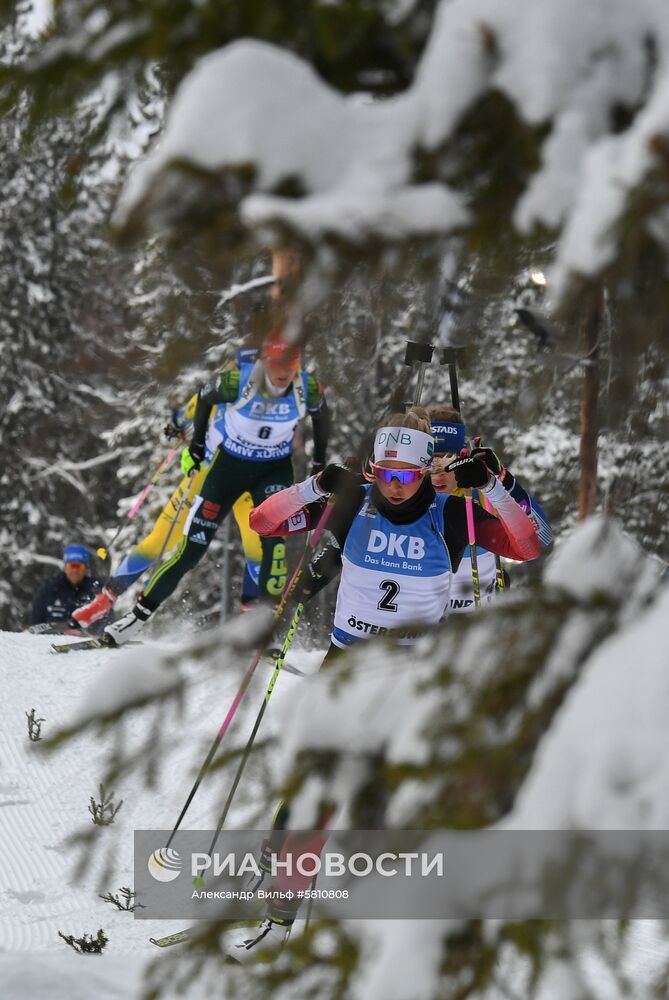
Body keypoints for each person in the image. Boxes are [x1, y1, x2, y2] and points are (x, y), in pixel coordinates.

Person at [229, 407, 541, 955]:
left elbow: (527, 545)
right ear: (374, 469)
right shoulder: (353, 505)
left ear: (424, 473)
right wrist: (314, 485)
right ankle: (279, 896)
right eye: (386, 474)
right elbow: (263, 523)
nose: (395, 488)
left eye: (408, 476)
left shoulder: (450, 516)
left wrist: (492, 484)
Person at [101, 328, 329, 645]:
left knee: (272, 545)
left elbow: (322, 415)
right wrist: (195, 445)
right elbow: (205, 399)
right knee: (190, 551)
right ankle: (136, 619)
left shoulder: (307, 388)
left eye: (290, 366)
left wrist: (319, 461)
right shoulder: (239, 382)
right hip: (228, 468)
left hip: (273, 470)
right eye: (276, 364)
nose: (282, 373)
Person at [71, 361, 265, 630]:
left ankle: (251, 626)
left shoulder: (276, 401)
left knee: (259, 547)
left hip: (246, 483)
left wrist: (178, 426)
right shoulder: (223, 387)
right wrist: (178, 427)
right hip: (207, 476)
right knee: (160, 538)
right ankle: (104, 601)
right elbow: (190, 410)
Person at [429, 405, 553, 613]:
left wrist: (502, 478)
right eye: (431, 465)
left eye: (447, 461)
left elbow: (542, 538)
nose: (438, 476)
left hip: (475, 625)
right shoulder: (409, 496)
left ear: (461, 457)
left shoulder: (485, 493)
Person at [29, 544, 110, 633]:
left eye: (79, 566)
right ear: (65, 568)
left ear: (86, 569)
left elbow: (107, 620)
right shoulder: (49, 589)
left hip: (86, 643)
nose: (75, 570)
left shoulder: (96, 590)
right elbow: (35, 624)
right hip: (52, 643)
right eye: (71, 566)